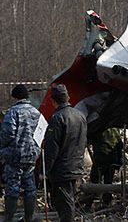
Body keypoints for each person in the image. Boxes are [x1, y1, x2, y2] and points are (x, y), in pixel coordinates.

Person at [44, 84, 87, 222]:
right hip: (76, 165)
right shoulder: (80, 116)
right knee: (69, 201)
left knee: (65, 205)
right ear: (67, 97)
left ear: (53, 101)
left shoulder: (57, 118)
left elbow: (52, 148)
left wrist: (44, 170)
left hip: (62, 169)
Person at [0, 84, 41, 222]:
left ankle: (9, 218)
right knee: (30, 186)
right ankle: (29, 217)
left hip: (15, 155)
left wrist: (3, 149)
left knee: (12, 188)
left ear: (15, 97)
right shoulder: (36, 112)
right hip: (31, 155)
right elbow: (40, 134)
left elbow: (7, 134)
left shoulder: (12, 112)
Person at [85, 127, 122, 208]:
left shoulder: (99, 128)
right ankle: (107, 202)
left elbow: (88, 139)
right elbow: (120, 145)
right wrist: (119, 162)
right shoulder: (115, 129)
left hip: (101, 158)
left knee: (94, 181)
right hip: (112, 159)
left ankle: (88, 204)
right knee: (108, 182)